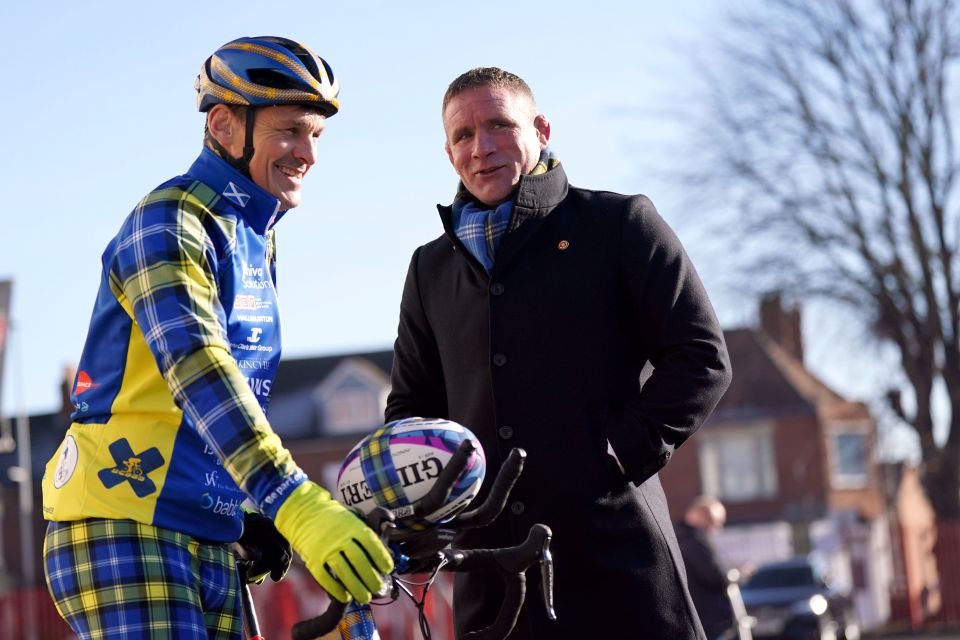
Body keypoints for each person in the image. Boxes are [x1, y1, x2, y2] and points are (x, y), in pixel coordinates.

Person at [40, 36, 392, 639]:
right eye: (290, 130)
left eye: (316, 135)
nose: (307, 152)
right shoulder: (170, 219)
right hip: (121, 520)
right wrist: (294, 501)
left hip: (202, 530)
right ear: (226, 125)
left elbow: (225, 407)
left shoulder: (254, 234)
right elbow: (199, 369)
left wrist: (246, 511)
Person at [386, 67, 733, 639]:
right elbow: (411, 409)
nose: (483, 147)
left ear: (541, 129)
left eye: (500, 125)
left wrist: (619, 453)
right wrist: (430, 505)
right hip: (490, 576)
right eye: (463, 136)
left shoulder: (619, 225)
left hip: (617, 560)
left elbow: (701, 356)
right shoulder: (430, 269)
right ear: (449, 154)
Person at [676, 496, 737, 640]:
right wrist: (736, 575)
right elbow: (716, 575)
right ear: (703, 516)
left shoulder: (680, 537)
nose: (717, 528)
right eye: (716, 522)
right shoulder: (692, 540)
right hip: (707, 622)